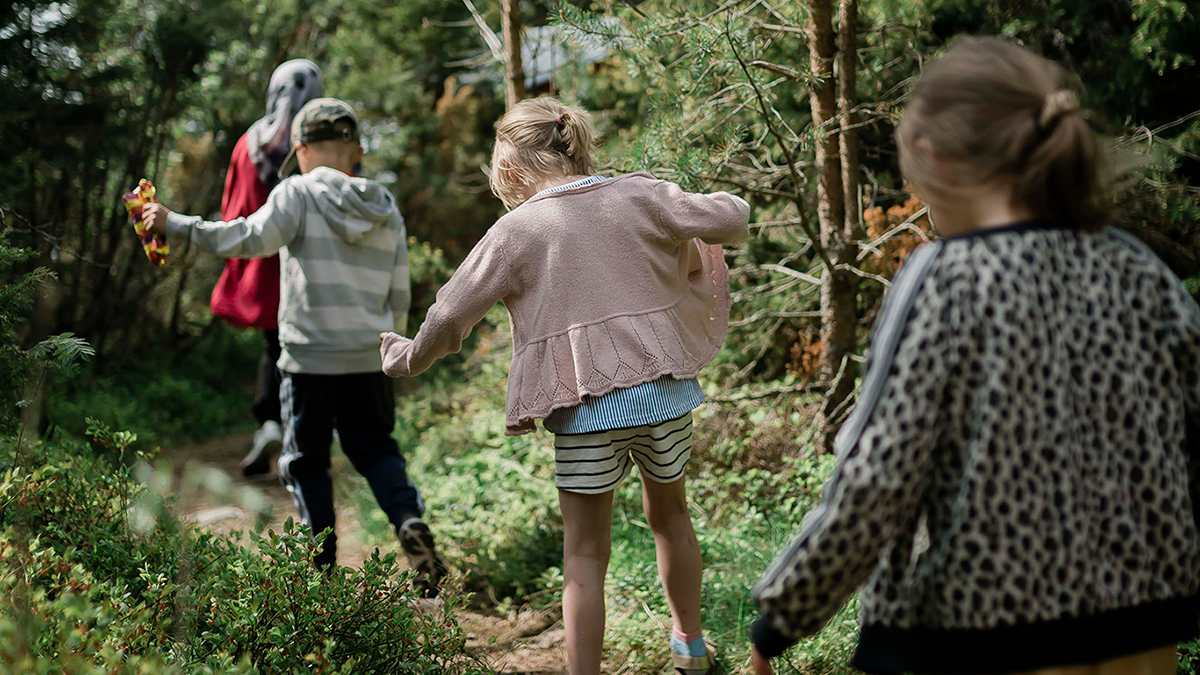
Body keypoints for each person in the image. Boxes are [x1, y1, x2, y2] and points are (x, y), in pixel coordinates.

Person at [749, 37, 1200, 675]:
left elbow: (878, 474)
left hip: (984, 639)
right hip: (1143, 632)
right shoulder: (1138, 269)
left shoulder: (945, 279)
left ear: (933, 158)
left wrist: (778, 621)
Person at [379, 97, 749, 675]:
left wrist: (409, 359)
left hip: (586, 410)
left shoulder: (515, 230)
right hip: (665, 395)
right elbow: (731, 217)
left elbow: (450, 316)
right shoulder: (638, 194)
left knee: (583, 553)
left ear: (508, 171)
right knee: (672, 516)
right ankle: (690, 648)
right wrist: (671, 199)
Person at [142, 98, 448, 595]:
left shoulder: (296, 193)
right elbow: (400, 288)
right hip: (369, 356)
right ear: (357, 152)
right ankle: (410, 522)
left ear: (302, 150)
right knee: (376, 449)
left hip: (309, 359)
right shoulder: (385, 205)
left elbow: (243, 238)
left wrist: (175, 223)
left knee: (307, 461)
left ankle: (320, 574)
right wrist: (391, 348)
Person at [213, 59, 325, 477]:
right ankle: (297, 437)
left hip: (262, 261)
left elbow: (234, 207)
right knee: (305, 352)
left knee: (271, 347)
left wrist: (236, 257)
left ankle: (269, 426)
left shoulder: (249, 142)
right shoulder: (317, 140)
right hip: (309, 263)